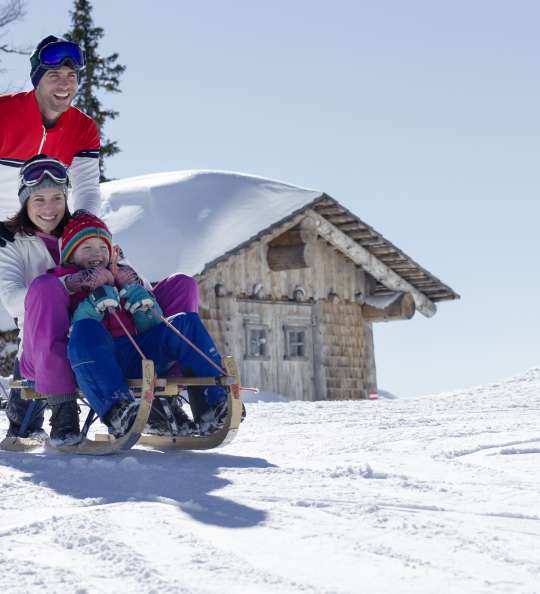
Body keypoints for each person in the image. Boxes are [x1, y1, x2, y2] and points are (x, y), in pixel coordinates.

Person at [0, 156, 199, 442]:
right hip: (49, 343)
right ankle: (62, 409)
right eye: (39, 199)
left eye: (57, 198)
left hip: (111, 338)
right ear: (25, 202)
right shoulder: (10, 241)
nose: (49, 209)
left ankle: (166, 395)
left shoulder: (85, 228)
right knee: (45, 288)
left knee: (182, 285)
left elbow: (134, 279)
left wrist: (124, 277)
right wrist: (68, 284)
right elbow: (13, 300)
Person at [51, 210, 229, 440]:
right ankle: (119, 410)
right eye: (87, 248)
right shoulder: (66, 283)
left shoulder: (121, 277)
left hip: (139, 355)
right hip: (98, 362)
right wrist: (93, 303)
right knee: (86, 330)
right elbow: (74, 331)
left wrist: (137, 296)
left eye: (103, 248)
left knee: (185, 321)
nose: (96, 254)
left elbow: (150, 326)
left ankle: (212, 402)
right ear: (70, 254)